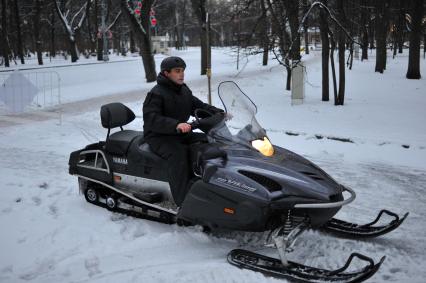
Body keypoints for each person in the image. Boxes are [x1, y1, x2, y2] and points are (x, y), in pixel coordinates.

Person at [143, 56, 224, 206]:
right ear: (167, 73)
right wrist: (176, 125)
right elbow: (151, 118)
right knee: (178, 155)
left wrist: (218, 113)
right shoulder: (156, 93)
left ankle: (208, 182)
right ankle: (183, 200)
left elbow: (198, 106)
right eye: (177, 71)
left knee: (207, 141)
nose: (182, 74)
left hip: (179, 133)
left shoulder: (183, 90)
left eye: (183, 71)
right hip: (158, 136)